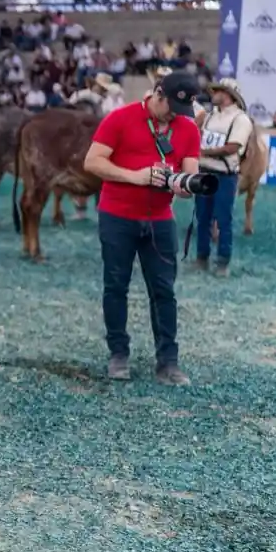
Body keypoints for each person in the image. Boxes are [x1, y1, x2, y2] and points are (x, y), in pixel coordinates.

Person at [83, 71, 202, 385]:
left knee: (164, 291)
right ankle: (118, 355)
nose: (176, 116)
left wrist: (183, 186)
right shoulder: (120, 118)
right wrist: (136, 176)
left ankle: (168, 362)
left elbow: (190, 174)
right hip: (117, 216)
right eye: (172, 108)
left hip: (161, 219)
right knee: (116, 286)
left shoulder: (187, 128)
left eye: (183, 111)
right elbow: (92, 162)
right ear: (158, 93)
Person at [192, 78, 253, 277]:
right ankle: (202, 257)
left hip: (225, 175)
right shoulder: (210, 116)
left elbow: (232, 148)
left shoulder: (240, 119)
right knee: (202, 217)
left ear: (227, 95)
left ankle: (222, 262)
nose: (213, 94)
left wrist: (203, 152)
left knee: (223, 219)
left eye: (217, 91)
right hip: (205, 171)